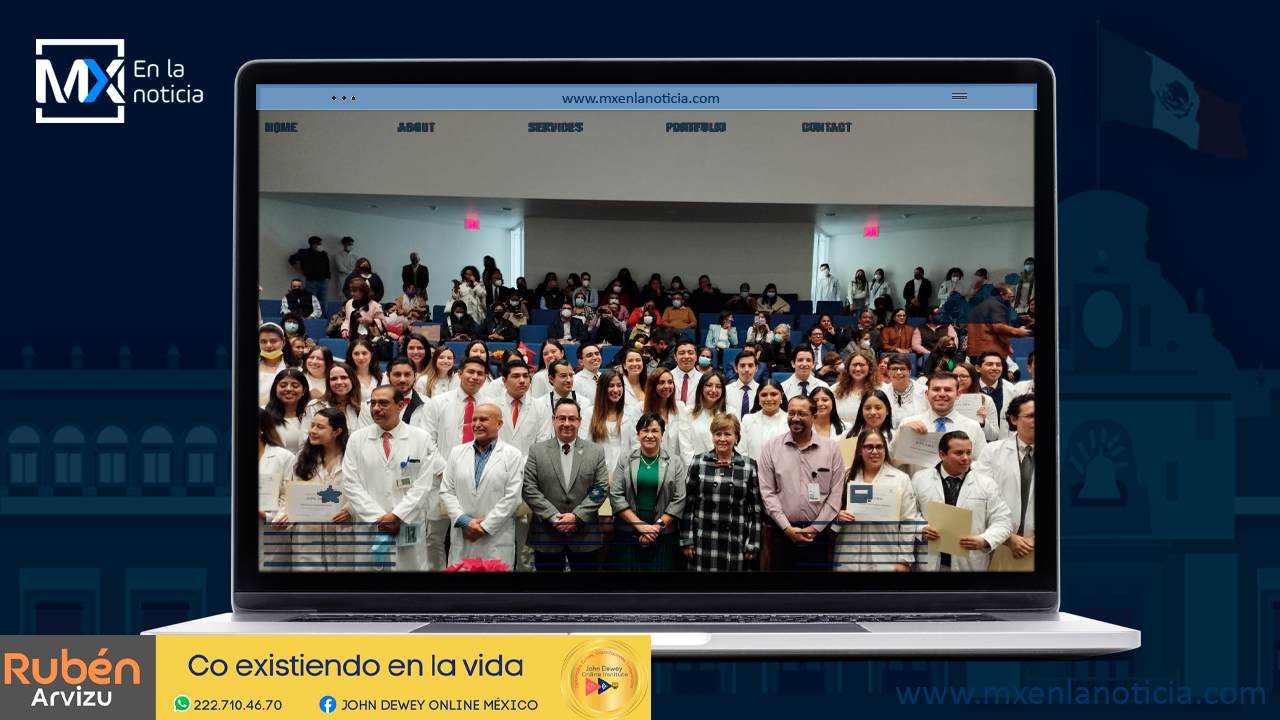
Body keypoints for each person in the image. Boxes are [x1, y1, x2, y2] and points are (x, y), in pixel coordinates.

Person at [342, 384, 441, 571]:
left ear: (400, 405)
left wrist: (397, 515)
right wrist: (379, 517)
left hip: (406, 522)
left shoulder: (421, 438)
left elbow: (423, 484)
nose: (376, 408)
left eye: (383, 403)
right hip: (370, 523)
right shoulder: (357, 439)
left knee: (408, 588)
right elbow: (351, 483)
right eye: (373, 403)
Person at [418, 356, 492, 570]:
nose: (475, 377)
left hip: (477, 481)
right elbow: (426, 440)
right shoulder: (438, 402)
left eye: (480, 373)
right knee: (434, 537)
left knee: (471, 534)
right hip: (439, 479)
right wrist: (443, 470)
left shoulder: (491, 406)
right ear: (459, 373)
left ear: (486, 378)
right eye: (470, 372)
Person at [758, 395, 846, 571]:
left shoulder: (832, 449)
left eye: (802, 414)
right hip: (783, 533)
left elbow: (835, 495)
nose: (795, 418)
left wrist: (815, 529)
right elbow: (767, 492)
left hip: (818, 536)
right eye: (791, 413)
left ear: (814, 417)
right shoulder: (772, 447)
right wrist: (787, 528)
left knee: (815, 595)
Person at [522, 399, 610, 571]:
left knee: (584, 595)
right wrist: (555, 518)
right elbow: (529, 489)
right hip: (547, 534)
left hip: (585, 534)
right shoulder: (536, 451)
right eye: (562, 418)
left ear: (579, 421)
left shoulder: (596, 451)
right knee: (549, 595)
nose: (567, 423)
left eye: (572, 419)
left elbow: (600, 489)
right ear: (553, 419)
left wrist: (576, 516)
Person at [439, 403, 527, 569]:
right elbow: (446, 491)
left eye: (483, 419)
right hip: (463, 536)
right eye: (474, 419)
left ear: (499, 424)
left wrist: (485, 527)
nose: (477, 424)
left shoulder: (512, 455)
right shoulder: (457, 453)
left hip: (496, 539)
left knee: (495, 594)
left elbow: (513, 498)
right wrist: (465, 522)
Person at [914, 431, 1012, 572]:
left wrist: (985, 540)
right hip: (930, 562)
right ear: (942, 455)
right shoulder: (920, 479)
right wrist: (920, 528)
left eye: (969, 452)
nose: (966, 458)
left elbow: (1003, 521)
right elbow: (909, 514)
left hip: (970, 564)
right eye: (959, 453)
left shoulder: (986, 484)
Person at [680, 413, 763, 571]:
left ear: (736, 438)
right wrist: (686, 539)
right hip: (703, 539)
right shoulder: (699, 461)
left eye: (727, 434)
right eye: (718, 434)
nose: (722, 439)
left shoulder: (748, 466)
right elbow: (688, 505)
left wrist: (753, 542)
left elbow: (755, 509)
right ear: (712, 437)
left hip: (736, 539)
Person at [834, 427, 920, 572]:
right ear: (860, 451)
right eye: (869, 447)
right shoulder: (845, 475)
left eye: (879, 447)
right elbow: (831, 510)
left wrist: (904, 560)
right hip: (850, 555)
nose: (875, 451)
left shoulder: (900, 479)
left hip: (887, 556)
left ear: (885, 450)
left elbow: (908, 522)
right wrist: (838, 517)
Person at [610, 412, 688, 571]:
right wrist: (640, 526)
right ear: (638, 435)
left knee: (660, 592)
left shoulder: (675, 462)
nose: (650, 435)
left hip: (664, 537)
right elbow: (616, 495)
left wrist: (656, 527)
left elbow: (679, 499)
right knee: (628, 591)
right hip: (628, 535)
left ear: (662, 435)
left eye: (655, 431)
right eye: (645, 431)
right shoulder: (625, 459)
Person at [278, 407, 351, 571]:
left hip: (342, 531)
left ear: (337, 432)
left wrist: (350, 511)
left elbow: (363, 491)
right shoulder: (302, 457)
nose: (312, 431)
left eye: (320, 427)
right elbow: (291, 493)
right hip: (308, 534)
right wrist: (284, 515)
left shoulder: (352, 458)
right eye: (312, 426)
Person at [973, 394, 1035, 565]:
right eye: (1030, 416)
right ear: (1014, 420)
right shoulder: (992, 451)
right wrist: (1007, 537)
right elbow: (978, 498)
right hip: (1001, 542)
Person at [896, 371, 988, 474]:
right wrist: (900, 436)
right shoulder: (908, 424)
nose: (942, 394)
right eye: (936, 389)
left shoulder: (973, 426)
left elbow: (981, 464)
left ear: (958, 394)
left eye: (948, 390)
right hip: (918, 488)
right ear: (926, 394)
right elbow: (894, 463)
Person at [257, 408, 297, 570]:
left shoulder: (283, 457)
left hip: (271, 533)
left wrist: (267, 515)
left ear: (261, 429)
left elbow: (289, 497)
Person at [622, 367, 691, 459]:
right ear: (652, 386)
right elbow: (636, 442)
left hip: (675, 464)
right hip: (647, 462)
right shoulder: (639, 409)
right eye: (661, 383)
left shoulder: (680, 407)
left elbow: (685, 441)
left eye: (670, 382)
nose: (667, 386)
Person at [966, 283, 1031, 361]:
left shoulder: (980, 306)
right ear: (1002, 295)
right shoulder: (997, 304)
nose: (1010, 300)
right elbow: (998, 326)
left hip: (974, 352)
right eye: (1009, 297)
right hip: (991, 353)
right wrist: (1018, 331)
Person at [588, 369, 629, 476]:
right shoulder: (589, 412)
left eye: (619, 385)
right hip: (598, 471)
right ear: (602, 388)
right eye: (611, 386)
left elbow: (635, 445)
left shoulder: (631, 412)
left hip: (625, 470)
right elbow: (585, 445)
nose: (616, 390)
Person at [307, 360, 366, 434]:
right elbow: (305, 440)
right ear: (328, 383)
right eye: (334, 379)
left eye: (344, 377)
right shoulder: (315, 406)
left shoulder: (363, 408)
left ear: (353, 380)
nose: (339, 382)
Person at [737, 379, 788, 461]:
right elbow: (742, 451)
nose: (768, 399)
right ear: (758, 397)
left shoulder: (790, 421)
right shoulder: (748, 420)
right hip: (753, 471)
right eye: (764, 395)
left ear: (781, 396)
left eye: (773, 394)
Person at [684, 370, 727, 464]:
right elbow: (686, 447)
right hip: (695, 468)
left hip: (723, 467)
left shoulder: (730, 412)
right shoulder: (687, 412)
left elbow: (734, 445)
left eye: (718, 386)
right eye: (709, 385)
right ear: (701, 388)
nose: (713, 390)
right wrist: (697, 468)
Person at [953, 361, 1000, 442]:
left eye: (963, 376)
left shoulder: (986, 400)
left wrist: (983, 422)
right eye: (954, 376)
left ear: (973, 380)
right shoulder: (944, 397)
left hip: (975, 445)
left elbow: (994, 436)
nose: (958, 380)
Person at [545, 358, 594, 434]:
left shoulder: (585, 403)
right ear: (551, 379)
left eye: (571, 375)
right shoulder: (541, 403)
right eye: (563, 376)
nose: (569, 380)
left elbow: (586, 433)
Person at [266, 368, 308, 453]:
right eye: (283, 385)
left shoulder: (312, 414)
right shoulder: (263, 415)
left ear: (304, 390)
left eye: (295, 386)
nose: (288, 389)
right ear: (275, 389)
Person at [976, 351, 1018, 437]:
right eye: (989, 364)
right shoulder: (970, 387)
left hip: (1002, 441)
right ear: (978, 368)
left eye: (998, 365)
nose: (995, 368)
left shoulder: (1012, 390)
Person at [385, 357, 431, 430]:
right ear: (388, 376)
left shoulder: (428, 404)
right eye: (397, 374)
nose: (402, 380)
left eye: (407, 375)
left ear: (415, 376)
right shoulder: (371, 405)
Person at [879, 354, 925, 424]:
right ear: (888, 372)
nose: (898, 372)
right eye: (894, 369)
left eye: (903, 369)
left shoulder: (924, 391)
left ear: (910, 371)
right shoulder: (882, 392)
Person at [832, 348, 876, 420]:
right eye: (854, 365)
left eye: (862, 365)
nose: (858, 369)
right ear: (848, 367)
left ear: (870, 367)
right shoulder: (834, 389)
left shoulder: (881, 389)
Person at [289, 235, 331, 310]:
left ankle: (324, 317)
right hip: (311, 281)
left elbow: (327, 266)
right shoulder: (304, 253)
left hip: (323, 281)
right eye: (319, 244)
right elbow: (291, 259)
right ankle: (312, 316)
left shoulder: (324, 254)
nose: (321, 246)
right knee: (311, 300)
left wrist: (328, 277)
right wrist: (299, 270)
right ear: (313, 244)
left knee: (323, 301)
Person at [258, 323, 295, 407]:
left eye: (273, 341)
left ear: (283, 342)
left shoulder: (295, 368)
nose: (268, 345)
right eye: (263, 341)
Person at [724, 351, 760, 419]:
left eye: (750, 365)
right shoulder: (726, 391)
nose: (746, 369)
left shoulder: (762, 391)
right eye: (742, 366)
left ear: (756, 368)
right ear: (736, 368)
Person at [668, 338, 703, 406]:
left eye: (690, 353)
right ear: (675, 357)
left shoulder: (703, 379)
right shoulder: (668, 377)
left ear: (696, 357)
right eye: (681, 353)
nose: (686, 356)